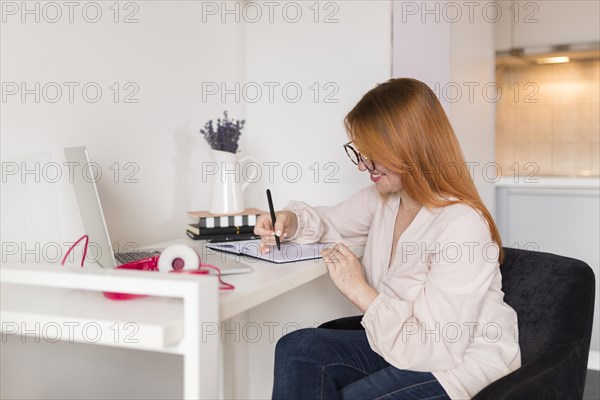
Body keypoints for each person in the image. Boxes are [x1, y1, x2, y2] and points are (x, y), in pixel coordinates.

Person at [254, 78, 521, 400]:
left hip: (457, 363)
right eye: (360, 152)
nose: (364, 165)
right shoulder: (384, 200)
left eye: (373, 154)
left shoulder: (461, 225)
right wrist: (289, 220)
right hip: (399, 342)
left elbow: (436, 348)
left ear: (409, 149)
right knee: (299, 346)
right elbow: (328, 221)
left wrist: (358, 289)